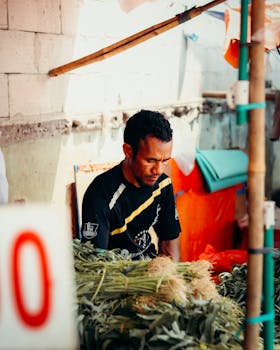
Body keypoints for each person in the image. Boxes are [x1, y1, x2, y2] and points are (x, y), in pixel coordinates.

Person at [81, 109, 181, 261]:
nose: (158, 170)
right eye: (150, 160)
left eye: (165, 160)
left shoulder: (163, 184)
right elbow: (96, 264)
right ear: (128, 151)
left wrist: (173, 280)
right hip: (116, 277)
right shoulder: (101, 195)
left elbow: (170, 240)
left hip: (151, 268)